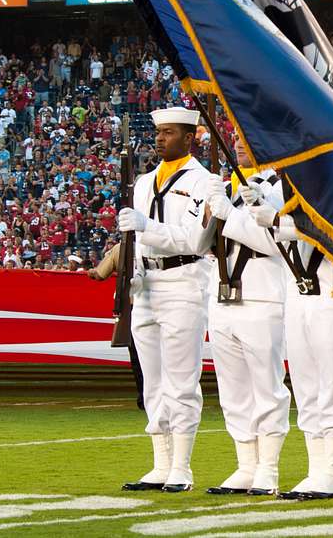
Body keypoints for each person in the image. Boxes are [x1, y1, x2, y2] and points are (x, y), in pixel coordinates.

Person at [247, 179, 333, 500]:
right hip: (299, 293)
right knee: (305, 386)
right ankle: (316, 470)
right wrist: (255, 204)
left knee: (331, 383)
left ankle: (332, 472)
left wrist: (276, 220)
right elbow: (275, 241)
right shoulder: (285, 188)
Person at [118, 108, 215, 493]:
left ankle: (182, 467)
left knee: (181, 381)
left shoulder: (205, 182)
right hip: (147, 286)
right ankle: (159, 465)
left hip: (183, 281)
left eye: (169, 132)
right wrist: (133, 272)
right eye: (158, 132)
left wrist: (148, 227)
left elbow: (196, 239)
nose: (160, 138)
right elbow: (135, 240)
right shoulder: (142, 183)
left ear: (189, 138)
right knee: (153, 383)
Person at [203, 141, 289, 496]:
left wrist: (231, 214)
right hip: (222, 294)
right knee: (233, 389)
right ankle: (245, 466)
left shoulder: (281, 188)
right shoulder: (225, 189)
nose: (238, 143)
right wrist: (207, 211)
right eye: (234, 137)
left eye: (246, 137)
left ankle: (268, 467)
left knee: (266, 386)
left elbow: (274, 242)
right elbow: (201, 244)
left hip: (262, 293)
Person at [88, 242, 145, 410]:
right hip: (165, 303)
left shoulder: (121, 247)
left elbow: (99, 274)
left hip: (134, 305)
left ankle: (144, 396)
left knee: (137, 356)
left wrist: (90, 272)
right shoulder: (157, 240)